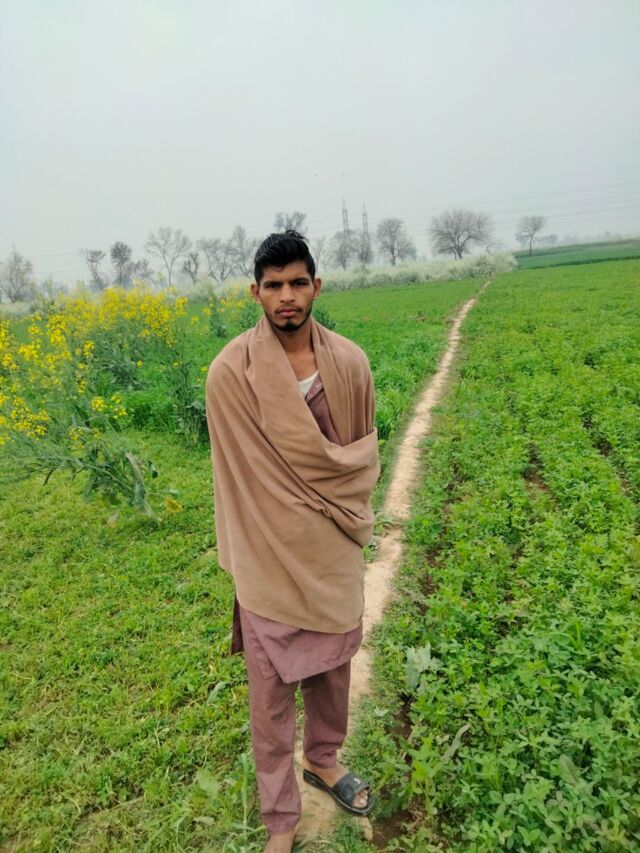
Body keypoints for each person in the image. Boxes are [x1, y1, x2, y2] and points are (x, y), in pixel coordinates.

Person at [205, 230, 380, 852]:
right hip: (268, 557)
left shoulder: (350, 365)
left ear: (316, 287)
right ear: (255, 292)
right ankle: (280, 817)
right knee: (270, 693)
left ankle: (324, 759)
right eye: (273, 285)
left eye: (298, 282)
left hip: (331, 550)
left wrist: (335, 520)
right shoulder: (230, 373)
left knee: (333, 670)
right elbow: (236, 476)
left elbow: (358, 464)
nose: (286, 296)